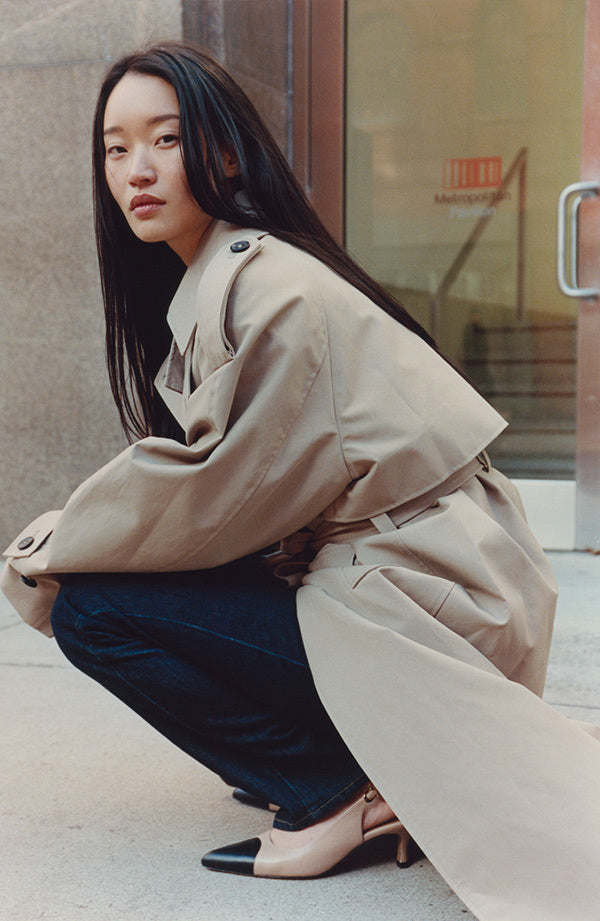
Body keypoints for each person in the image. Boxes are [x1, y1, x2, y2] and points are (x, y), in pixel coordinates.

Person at [2, 42, 600, 921]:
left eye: (165, 140)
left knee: (93, 605)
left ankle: (330, 788)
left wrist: (59, 537)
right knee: (134, 580)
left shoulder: (270, 288)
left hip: (423, 604)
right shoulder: (233, 275)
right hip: (410, 583)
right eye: (115, 147)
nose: (136, 170)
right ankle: (341, 757)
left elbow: (217, 491)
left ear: (227, 152)